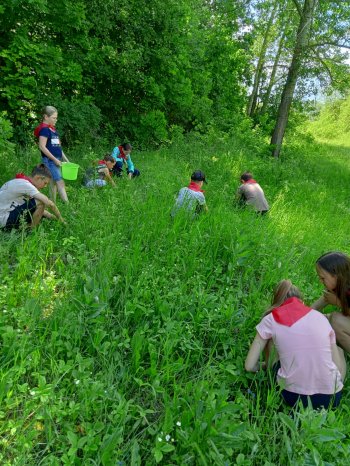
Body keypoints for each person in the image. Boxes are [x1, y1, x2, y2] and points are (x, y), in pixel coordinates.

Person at [245, 280, 345, 409]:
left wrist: (264, 366)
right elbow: (336, 364)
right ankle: (336, 384)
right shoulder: (320, 317)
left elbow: (249, 366)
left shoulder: (270, 319)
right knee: (338, 350)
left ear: (277, 302)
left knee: (271, 341)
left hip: (292, 397)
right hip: (331, 398)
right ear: (302, 302)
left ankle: (273, 375)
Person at [0, 164, 66, 230]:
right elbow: (50, 204)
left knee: (38, 209)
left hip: (5, 216)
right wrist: (61, 220)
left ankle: (25, 227)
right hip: (4, 219)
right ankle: (31, 230)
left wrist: (55, 219)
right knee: (40, 202)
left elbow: (41, 211)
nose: (45, 186)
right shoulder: (26, 185)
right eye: (45, 183)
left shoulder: (22, 181)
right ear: (38, 178)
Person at [312, 251, 350, 353]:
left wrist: (338, 303)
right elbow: (320, 303)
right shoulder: (338, 285)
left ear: (336, 275)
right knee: (320, 320)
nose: (320, 281)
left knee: (336, 321)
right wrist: (305, 315)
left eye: (323, 278)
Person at [34, 106, 69, 203]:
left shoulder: (52, 130)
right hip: (50, 161)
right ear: (46, 117)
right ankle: (67, 205)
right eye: (54, 118)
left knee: (53, 182)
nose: (56, 120)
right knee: (60, 182)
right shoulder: (44, 130)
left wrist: (66, 159)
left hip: (56, 159)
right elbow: (42, 146)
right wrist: (54, 159)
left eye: (56, 117)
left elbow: (58, 147)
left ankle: (52, 202)